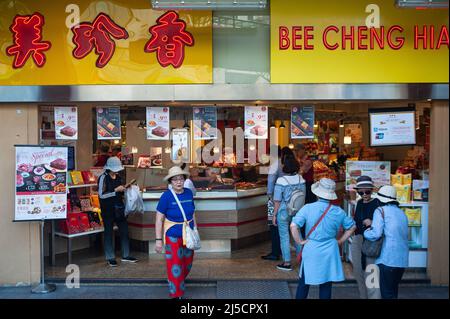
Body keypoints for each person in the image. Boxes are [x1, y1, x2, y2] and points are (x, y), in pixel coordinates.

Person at [290, 178, 356, 299]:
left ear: (317, 193)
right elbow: (352, 227)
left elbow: (293, 226)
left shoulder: (308, 208)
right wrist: (340, 241)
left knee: (304, 283)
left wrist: (299, 241)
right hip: (330, 249)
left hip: (312, 248)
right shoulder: (338, 211)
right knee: (326, 285)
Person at [155, 166, 197, 299]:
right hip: (172, 236)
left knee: (187, 263)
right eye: (175, 180)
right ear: (170, 182)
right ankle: (176, 293)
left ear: (184, 180)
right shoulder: (166, 196)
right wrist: (158, 240)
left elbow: (193, 213)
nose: (178, 182)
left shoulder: (189, 193)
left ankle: (176, 281)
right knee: (175, 266)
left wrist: (195, 229)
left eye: (180, 179)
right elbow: (159, 219)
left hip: (188, 235)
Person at [364, 185, 409, 299]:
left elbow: (376, 234)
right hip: (402, 260)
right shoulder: (402, 213)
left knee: (387, 293)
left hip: (387, 258)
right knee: (393, 291)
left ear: (380, 200)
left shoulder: (380, 210)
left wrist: (367, 230)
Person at [98, 156, 137, 267]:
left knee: (124, 231)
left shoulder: (119, 177)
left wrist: (125, 189)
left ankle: (126, 255)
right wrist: (116, 190)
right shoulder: (103, 178)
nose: (116, 170)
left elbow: (120, 192)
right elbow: (101, 195)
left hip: (119, 208)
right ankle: (110, 257)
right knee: (108, 233)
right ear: (109, 168)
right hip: (108, 209)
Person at [272, 155, 306, 271]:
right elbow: (303, 196)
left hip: (283, 211)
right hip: (298, 211)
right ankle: (302, 260)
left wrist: (274, 214)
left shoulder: (281, 180)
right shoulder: (301, 179)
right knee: (298, 235)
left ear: (285, 167)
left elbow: (277, 200)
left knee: (284, 236)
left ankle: (287, 263)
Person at [351, 176, 382, 299]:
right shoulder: (358, 203)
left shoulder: (378, 203)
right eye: (360, 192)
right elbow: (357, 223)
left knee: (371, 274)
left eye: (367, 191)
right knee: (358, 273)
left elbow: (382, 225)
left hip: (372, 243)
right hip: (358, 240)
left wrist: (372, 222)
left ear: (372, 190)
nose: (364, 194)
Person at [261, 145, 283, 261]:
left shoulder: (275, 165)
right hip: (284, 199)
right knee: (281, 225)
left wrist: (269, 196)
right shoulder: (283, 163)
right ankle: (279, 249)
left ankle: (274, 253)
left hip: (274, 199)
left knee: (273, 225)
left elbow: (270, 182)